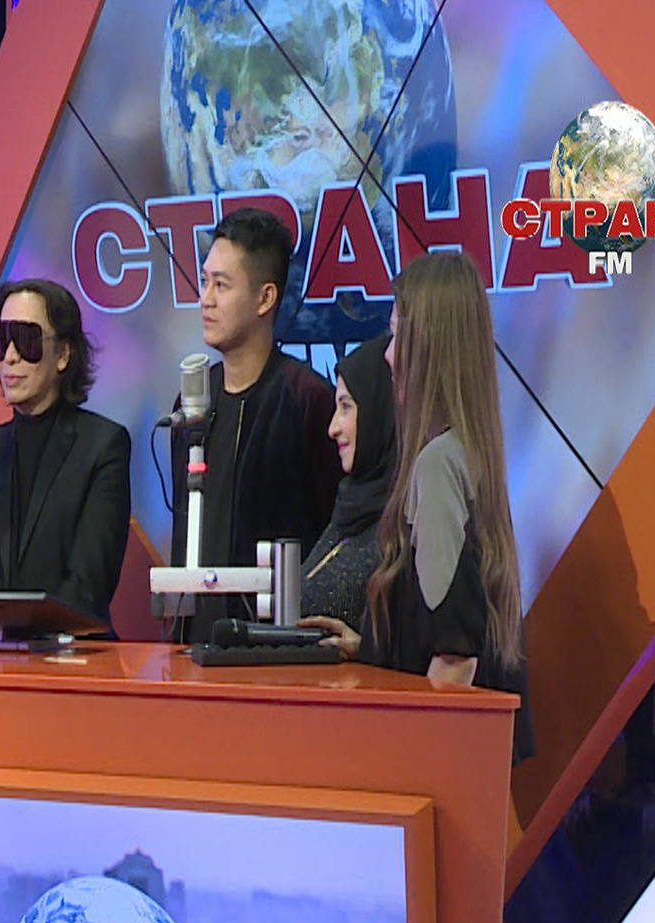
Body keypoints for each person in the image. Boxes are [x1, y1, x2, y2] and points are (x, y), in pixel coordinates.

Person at [302, 252, 536, 761]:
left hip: (447, 761)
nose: (388, 356)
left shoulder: (437, 465)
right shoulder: (471, 453)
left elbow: (455, 655)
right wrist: (372, 647)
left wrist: (410, 761)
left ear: (429, 345)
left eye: (397, 335)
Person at [173, 207, 340, 641]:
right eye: (204, 282)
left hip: (280, 646)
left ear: (265, 299)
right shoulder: (193, 402)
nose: (205, 299)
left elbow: (333, 535)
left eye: (221, 285)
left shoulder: (308, 399)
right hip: (195, 644)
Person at [0, 278, 131, 628]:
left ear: (63, 354)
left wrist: (24, 644)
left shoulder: (104, 447)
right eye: (2, 339)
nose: (10, 356)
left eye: (26, 339)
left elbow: (88, 588)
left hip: (70, 653)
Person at [300, 335, 397, 633]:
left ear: (379, 411)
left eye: (346, 407)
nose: (332, 428)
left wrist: (363, 650)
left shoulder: (403, 526)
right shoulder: (349, 507)